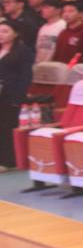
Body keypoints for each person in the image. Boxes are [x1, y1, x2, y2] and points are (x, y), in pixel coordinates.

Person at [0, 21, 33, 170]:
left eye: (5, 31)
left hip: (11, 93)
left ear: (15, 34)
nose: (1, 34)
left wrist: (18, 97)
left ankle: (8, 161)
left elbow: (26, 76)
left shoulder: (23, 51)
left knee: (7, 127)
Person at [52, 0, 83, 64]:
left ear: (81, 14)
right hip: (60, 68)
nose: (66, 14)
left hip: (78, 68)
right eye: (64, 11)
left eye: (70, 11)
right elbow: (57, 54)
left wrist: (71, 66)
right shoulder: (63, 33)